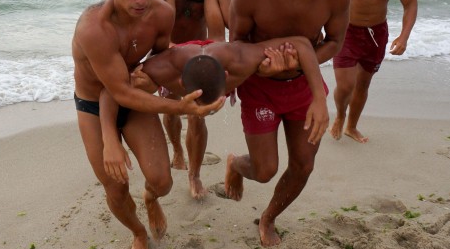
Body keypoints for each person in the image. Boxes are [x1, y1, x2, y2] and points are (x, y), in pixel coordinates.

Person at [71, 0, 225, 249]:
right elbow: (116, 92)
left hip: (133, 98)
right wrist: (179, 107)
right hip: (93, 104)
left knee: (162, 181)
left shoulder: (161, 14)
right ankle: (139, 232)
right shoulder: (94, 29)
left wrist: (190, 84)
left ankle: (151, 200)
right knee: (115, 187)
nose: (141, 0)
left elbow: (158, 65)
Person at [224, 0, 351, 247]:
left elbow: (335, 42)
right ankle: (236, 164)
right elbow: (235, 45)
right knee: (265, 170)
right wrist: (263, 68)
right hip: (259, 87)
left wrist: (301, 62)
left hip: (304, 87)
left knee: (303, 165)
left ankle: (268, 218)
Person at [99, 36, 330, 186]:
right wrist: (110, 140)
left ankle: (195, 175)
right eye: (200, 103)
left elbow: (301, 43)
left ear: (229, 80)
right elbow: (111, 91)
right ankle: (181, 155)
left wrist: (318, 98)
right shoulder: (161, 69)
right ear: (180, 83)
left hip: (218, 52)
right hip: (179, 57)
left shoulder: (241, 60)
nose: (205, 110)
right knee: (143, 86)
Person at [154, 0, 232, 199]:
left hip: (201, 54)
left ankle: (194, 174)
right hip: (170, 51)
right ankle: (176, 149)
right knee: (172, 107)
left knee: (197, 114)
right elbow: (144, 17)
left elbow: (234, 25)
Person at [329, 0, 418, 143]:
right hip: (347, 31)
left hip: (376, 34)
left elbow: (411, 4)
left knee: (363, 84)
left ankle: (351, 126)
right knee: (345, 85)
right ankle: (340, 115)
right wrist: (321, 29)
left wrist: (404, 36)